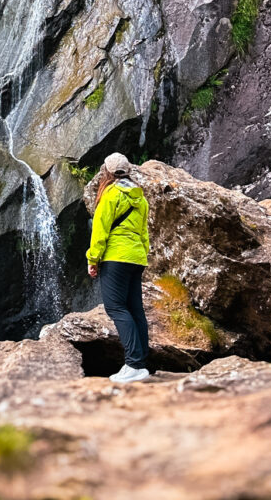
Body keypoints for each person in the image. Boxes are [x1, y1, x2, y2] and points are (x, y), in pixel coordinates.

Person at [86, 151, 151, 383]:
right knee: (135, 310)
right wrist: (142, 256)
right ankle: (141, 364)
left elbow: (100, 231)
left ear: (107, 172)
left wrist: (93, 259)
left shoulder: (111, 194)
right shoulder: (140, 198)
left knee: (116, 308)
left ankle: (133, 364)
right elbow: (144, 233)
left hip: (116, 257)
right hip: (136, 258)